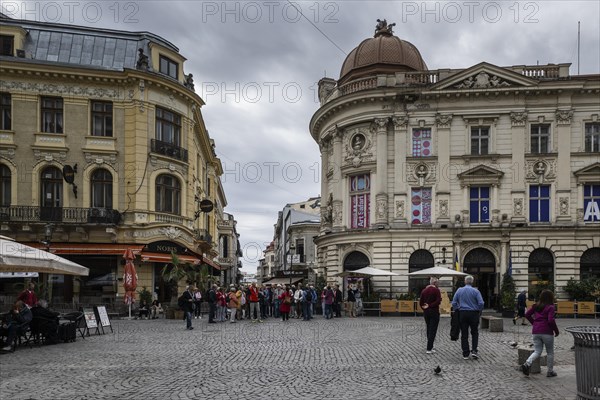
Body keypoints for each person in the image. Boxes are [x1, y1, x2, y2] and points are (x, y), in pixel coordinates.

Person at [521, 289, 560, 377]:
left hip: (536, 331)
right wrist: (556, 331)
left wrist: (534, 323)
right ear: (551, 298)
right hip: (547, 332)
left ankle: (527, 364)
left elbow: (527, 314)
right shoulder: (551, 307)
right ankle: (550, 371)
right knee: (550, 352)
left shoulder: (536, 306)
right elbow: (551, 320)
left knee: (537, 351)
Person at [451, 275, 484, 360]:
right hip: (473, 313)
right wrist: (479, 311)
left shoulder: (459, 290)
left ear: (465, 282)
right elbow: (481, 303)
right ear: (472, 282)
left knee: (464, 334)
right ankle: (474, 351)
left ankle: (465, 353)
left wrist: (457, 310)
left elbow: (454, 302)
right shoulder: (476, 291)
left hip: (463, 313)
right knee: (474, 332)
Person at [419, 277, 442, 354]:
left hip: (426, 312)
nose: (438, 284)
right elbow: (438, 301)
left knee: (428, 328)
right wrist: (430, 305)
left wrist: (425, 308)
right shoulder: (436, 290)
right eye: (438, 283)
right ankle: (429, 348)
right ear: (434, 283)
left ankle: (430, 345)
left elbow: (421, 302)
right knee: (433, 329)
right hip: (434, 311)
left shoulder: (424, 290)